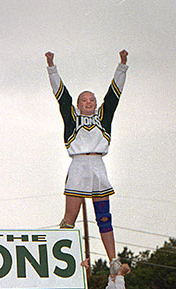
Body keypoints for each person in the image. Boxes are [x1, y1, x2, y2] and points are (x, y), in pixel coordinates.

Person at [45, 50, 128, 274]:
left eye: (92, 99)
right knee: (69, 218)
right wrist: (51, 66)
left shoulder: (104, 116)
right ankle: (62, 259)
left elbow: (114, 94)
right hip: (78, 166)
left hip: (98, 167)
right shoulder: (72, 118)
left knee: (103, 216)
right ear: (79, 105)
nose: (88, 102)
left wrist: (122, 65)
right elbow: (61, 95)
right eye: (84, 100)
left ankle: (113, 260)